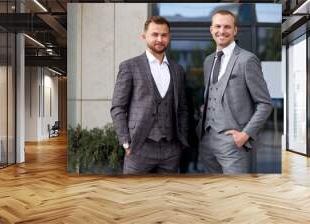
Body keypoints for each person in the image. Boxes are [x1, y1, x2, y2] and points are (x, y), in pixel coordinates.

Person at [196, 10, 273, 174]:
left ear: (235, 30)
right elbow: (213, 95)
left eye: (227, 27)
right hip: (207, 142)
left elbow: (265, 104)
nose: (221, 31)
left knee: (235, 194)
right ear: (211, 29)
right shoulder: (208, 61)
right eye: (217, 26)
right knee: (212, 193)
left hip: (233, 144)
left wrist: (245, 135)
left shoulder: (247, 60)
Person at [110, 16, 188, 175]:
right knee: (134, 196)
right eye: (155, 34)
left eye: (164, 35)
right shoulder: (130, 66)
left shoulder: (178, 70)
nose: (159, 39)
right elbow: (117, 107)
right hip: (139, 148)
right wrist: (125, 141)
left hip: (171, 150)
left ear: (169, 37)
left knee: (168, 197)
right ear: (144, 36)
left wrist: (182, 140)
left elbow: (182, 109)